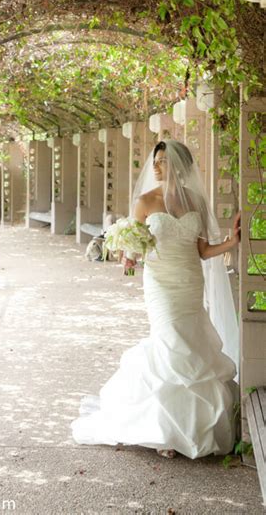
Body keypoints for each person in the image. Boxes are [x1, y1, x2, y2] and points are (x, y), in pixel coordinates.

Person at [71, 139, 240, 459]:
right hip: (161, 285)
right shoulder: (145, 201)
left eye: (163, 161)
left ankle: (190, 428)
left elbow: (202, 251)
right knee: (169, 343)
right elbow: (134, 248)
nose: (157, 166)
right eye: (156, 161)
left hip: (190, 282)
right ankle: (163, 431)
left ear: (180, 165)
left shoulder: (195, 202)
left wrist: (230, 243)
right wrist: (128, 256)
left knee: (192, 344)